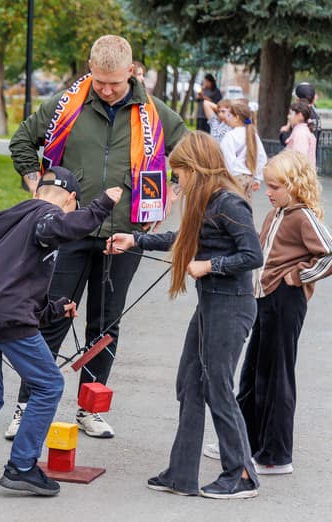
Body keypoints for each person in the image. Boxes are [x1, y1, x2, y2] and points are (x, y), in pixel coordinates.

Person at [8, 34, 186, 440]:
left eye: (114, 83)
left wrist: (173, 191)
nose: (105, 90)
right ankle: (26, 406)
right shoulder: (65, 105)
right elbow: (22, 142)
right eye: (99, 81)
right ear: (90, 67)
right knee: (50, 317)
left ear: (131, 71)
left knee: (105, 325)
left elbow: (189, 156)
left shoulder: (156, 114)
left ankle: (90, 408)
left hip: (124, 235)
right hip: (69, 231)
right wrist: (38, 186)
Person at [106, 131, 264, 499]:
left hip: (231, 305)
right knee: (189, 382)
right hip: (211, 304)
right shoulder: (206, 201)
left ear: (197, 168)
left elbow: (252, 255)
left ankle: (241, 474)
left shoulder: (229, 202)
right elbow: (187, 238)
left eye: (180, 174)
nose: (177, 182)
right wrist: (136, 239)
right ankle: (182, 473)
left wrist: (211, 266)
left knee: (217, 388)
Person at [0, 167, 122, 500]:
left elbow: (18, 287)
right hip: (7, 318)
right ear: (71, 199)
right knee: (49, 385)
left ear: (36, 191)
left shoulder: (17, 223)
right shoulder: (47, 215)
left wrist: (56, 308)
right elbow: (62, 226)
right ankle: (22, 466)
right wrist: (103, 205)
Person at [232, 150, 332, 475]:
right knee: (254, 372)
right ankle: (246, 441)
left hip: (285, 300)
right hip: (265, 299)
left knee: (276, 377)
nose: (268, 192)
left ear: (294, 185)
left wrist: (299, 276)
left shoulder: (301, 215)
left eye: (275, 186)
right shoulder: (277, 213)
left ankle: (276, 455)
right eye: (267, 185)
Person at [220, 99, 267, 201]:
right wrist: (258, 178)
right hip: (249, 178)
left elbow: (227, 159)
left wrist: (227, 178)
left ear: (236, 118)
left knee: (232, 207)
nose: (226, 118)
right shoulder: (253, 135)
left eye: (229, 115)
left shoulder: (230, 136)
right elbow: (261, 157)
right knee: (245, 206)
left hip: (234, 178)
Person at [280, 101, 317, 168]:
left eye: (291, 114)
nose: (288, 117)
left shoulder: (300, 133)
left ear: (300, 116)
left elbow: (299, 160)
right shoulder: (302, 130)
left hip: (299, 176)